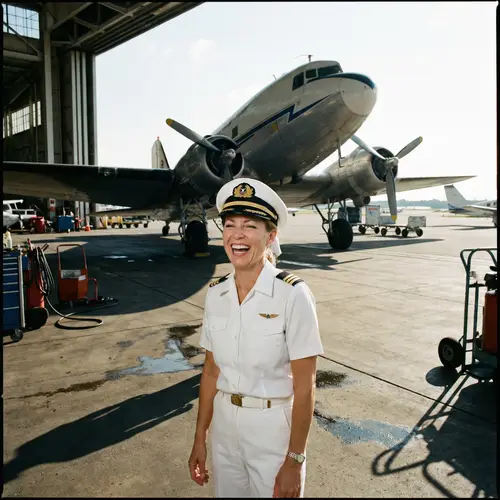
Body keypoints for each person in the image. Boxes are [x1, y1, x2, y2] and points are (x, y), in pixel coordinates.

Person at [188, 177, 324, 498]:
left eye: (250, 226)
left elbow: (306, 387)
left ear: (271, 235)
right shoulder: (216, 293)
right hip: (224, 428)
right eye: (230, 225)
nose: (237, 234)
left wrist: (294, 460)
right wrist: (199, 438)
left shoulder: (293, 294)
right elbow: (210, 372)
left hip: (273, 429)